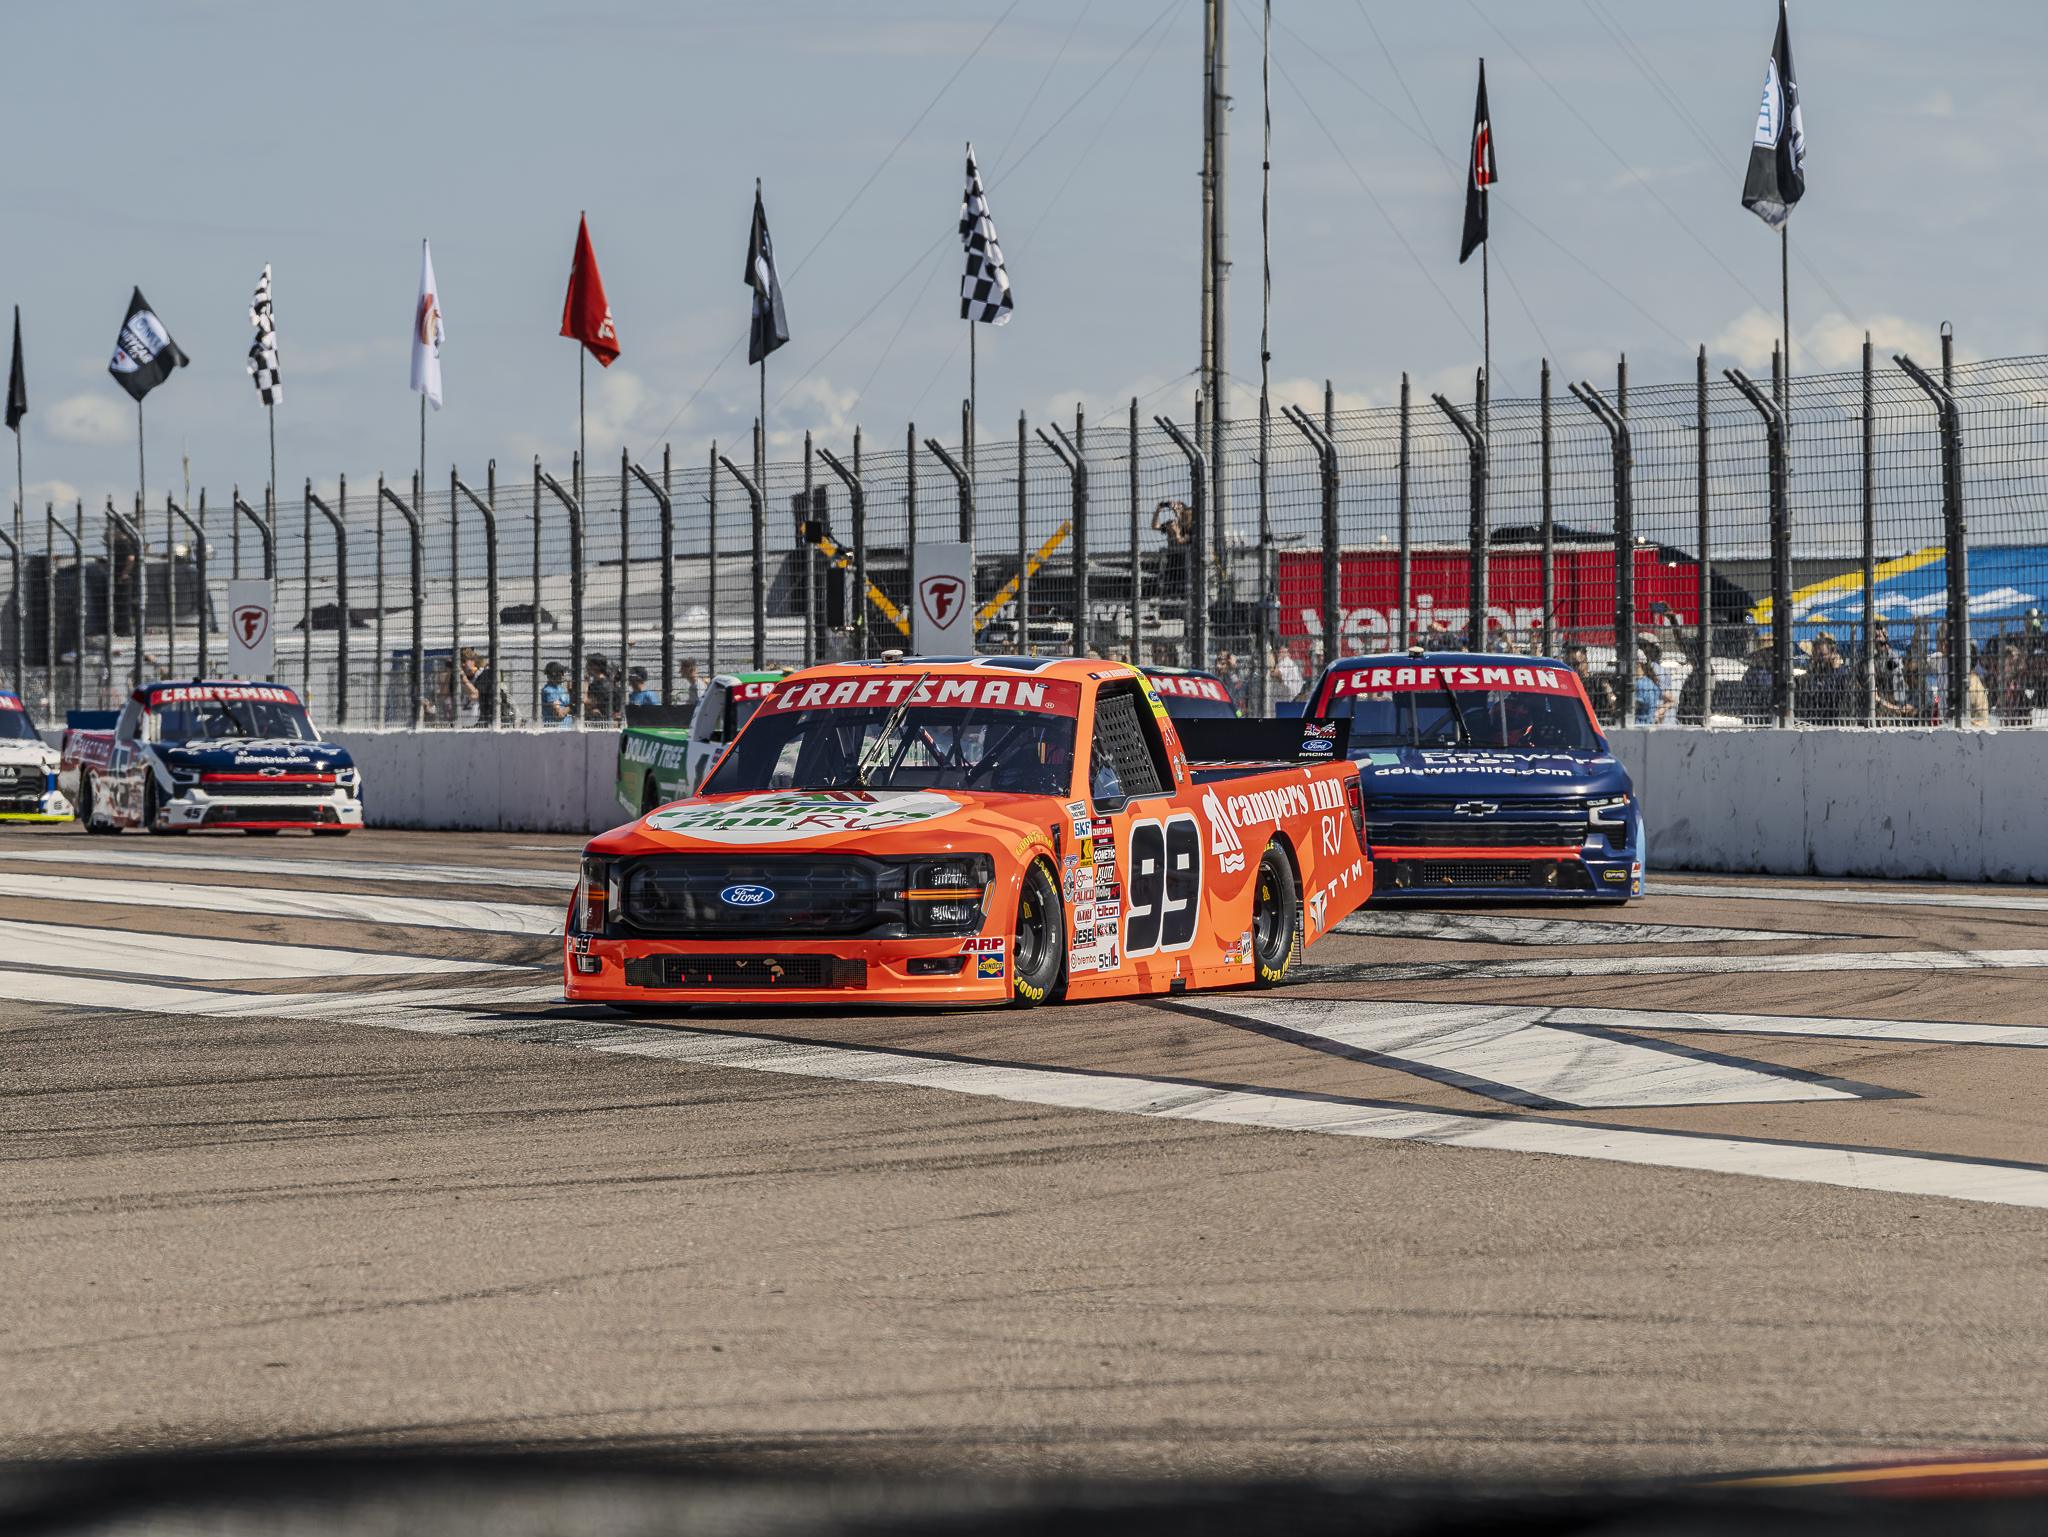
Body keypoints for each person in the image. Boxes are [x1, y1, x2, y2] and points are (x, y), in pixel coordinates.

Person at [1797, 632, 1853, 724]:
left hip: (1836, 720)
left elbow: (1839, 697)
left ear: (1833, 654)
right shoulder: (1810, 675)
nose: (1819, 658)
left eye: (1823, 655)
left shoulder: (1843, 674)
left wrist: (1835, 671)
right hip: (1813, 720)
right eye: (1816, 654)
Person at [1565, 644, 1620, 725]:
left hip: (1600, 725)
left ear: (1585, 661)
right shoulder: (1568, 685)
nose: (1575, 668)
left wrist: (1609, 694)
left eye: (1577, 664)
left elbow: (1614, 703)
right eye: (1571, 664)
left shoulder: (1598, 682)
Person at [1632, 654, 1667, 726]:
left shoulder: (1639, 684)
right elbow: (1672, 700)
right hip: (1651, 726)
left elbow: (1631, 708)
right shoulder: (1651, 683)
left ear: (1638, 664)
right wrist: (1658, 713)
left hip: (1638, 727)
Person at [583, 653, 617, 722]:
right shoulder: (608, 682)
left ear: (596, 666)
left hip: (602, 722)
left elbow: (585, 702)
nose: (587, 667)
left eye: (589, 664)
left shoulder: (599, 685)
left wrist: (586, 681)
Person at [540, 661, 573, 728]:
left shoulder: (561, 689)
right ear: (554, 675)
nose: (563, 675)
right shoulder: (549, 690)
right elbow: (559, 714)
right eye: (561, 673)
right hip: (555, 730)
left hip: (567, 729)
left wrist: (570, 691)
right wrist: (572, 706)